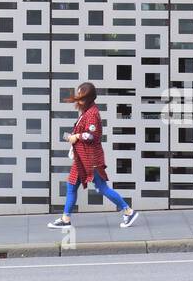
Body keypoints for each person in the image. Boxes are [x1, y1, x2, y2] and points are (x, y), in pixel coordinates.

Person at [48, 82, 139, 229]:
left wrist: (76, 136)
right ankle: (65, 219)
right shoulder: (88, 111)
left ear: (88, 98)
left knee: (102, 187)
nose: (78, 100)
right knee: (71, 185)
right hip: (82, 158)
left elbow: (91, 136)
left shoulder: (92, 114)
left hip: (90, 159)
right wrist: (76, 136)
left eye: (81, 97)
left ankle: (128, 211)